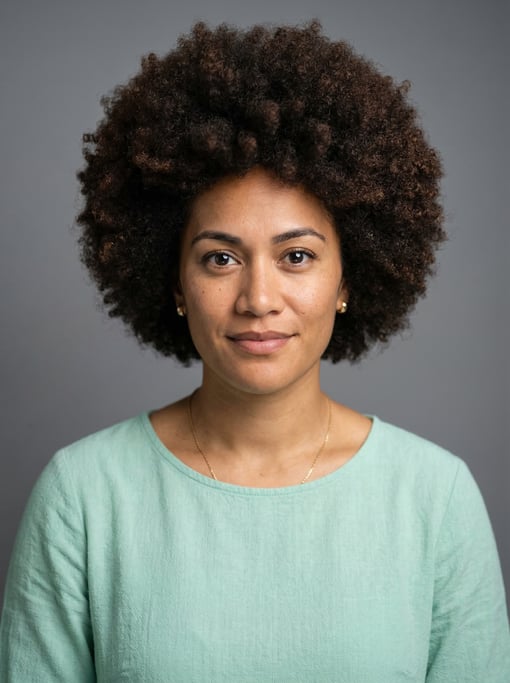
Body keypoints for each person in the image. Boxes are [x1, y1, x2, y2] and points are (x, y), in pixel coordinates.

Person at [1, 20, 509, 682]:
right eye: (220, 258)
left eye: (296, 256)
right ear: (174, 280)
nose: (258, 297)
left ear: (349, 278)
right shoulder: (85, 495)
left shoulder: (434, 498)